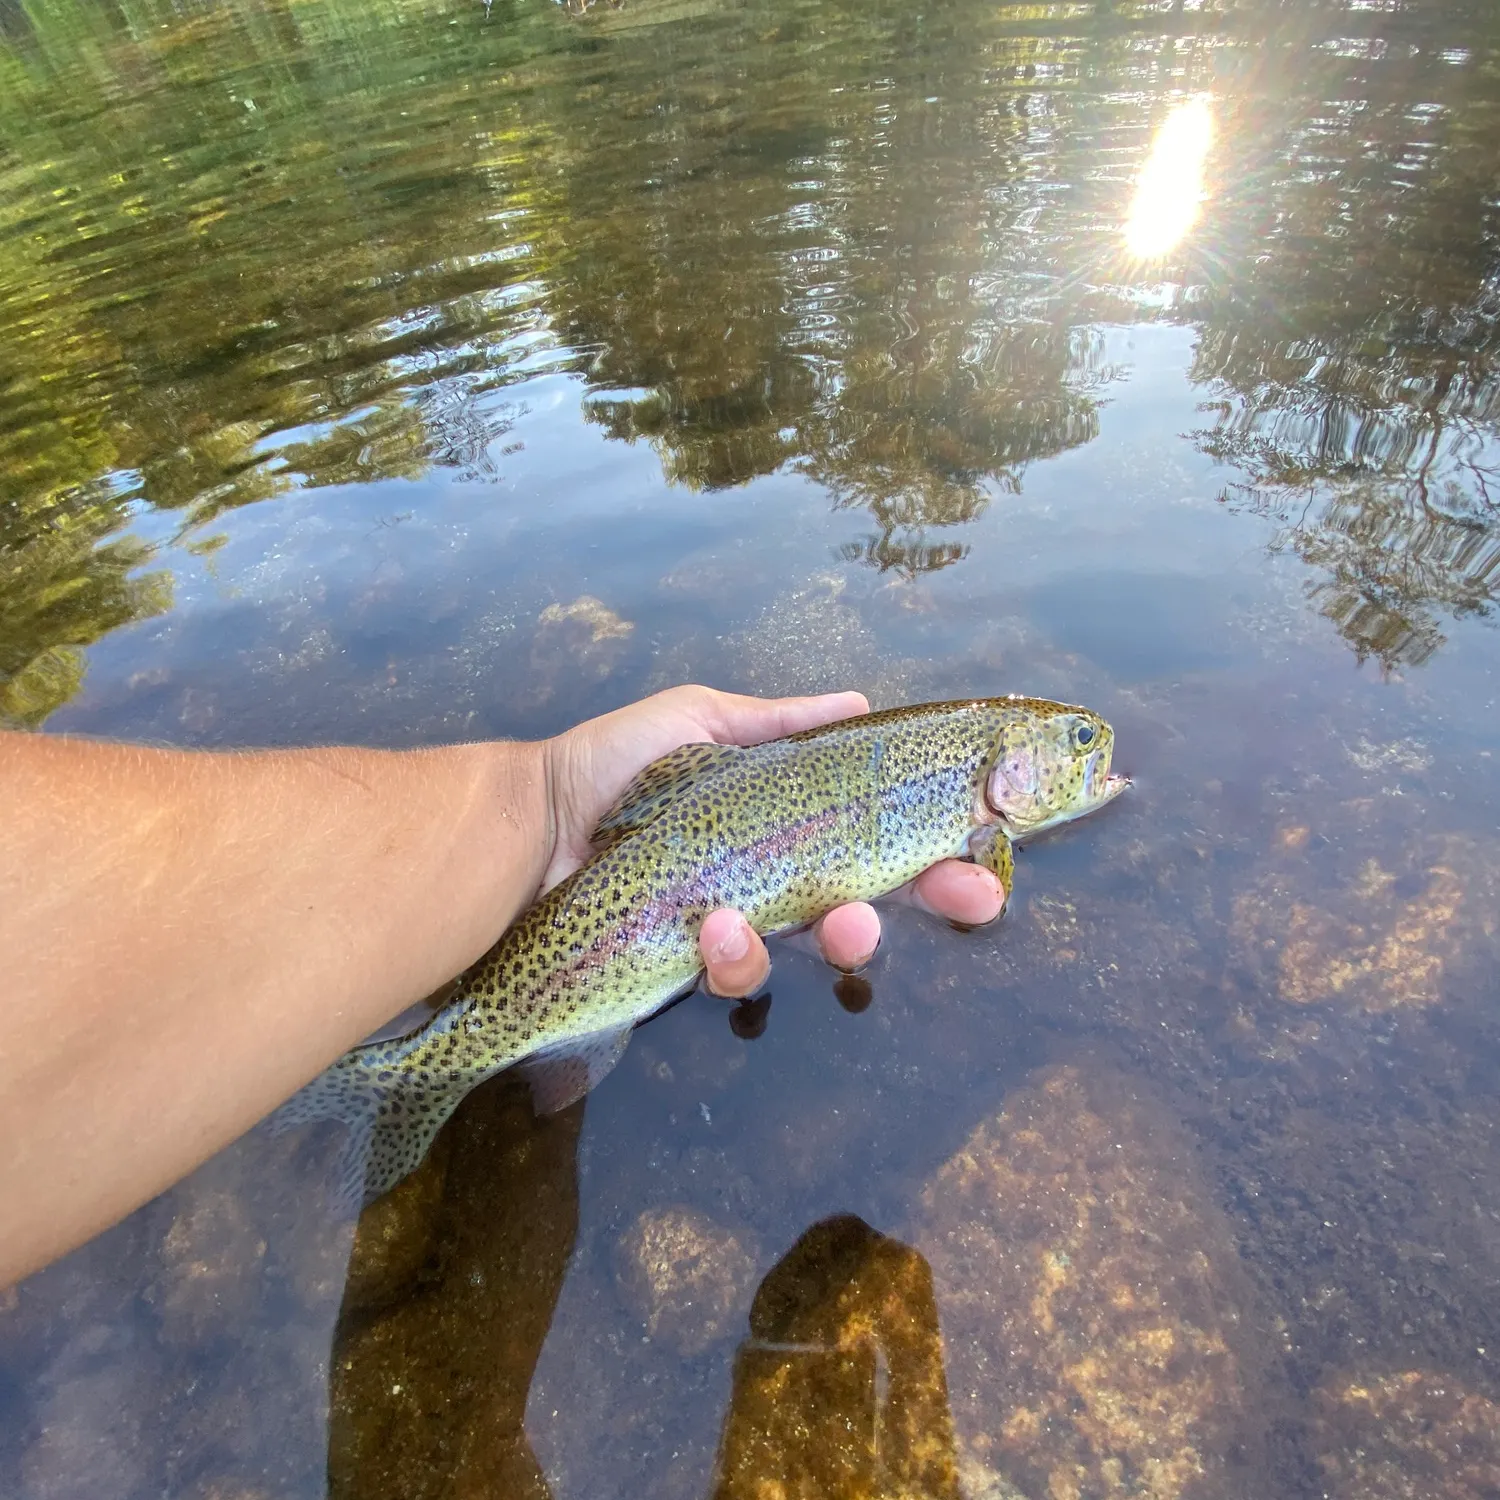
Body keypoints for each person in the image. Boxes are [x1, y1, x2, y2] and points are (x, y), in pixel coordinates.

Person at [0, 685, 1005, 1287]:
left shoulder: (969, 787)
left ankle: (382, 1081)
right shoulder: (980, 817)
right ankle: (403, 1077)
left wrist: (546, 796)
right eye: (1078, 748)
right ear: (1010, 772)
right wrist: (553, 799)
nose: (1087, 760)